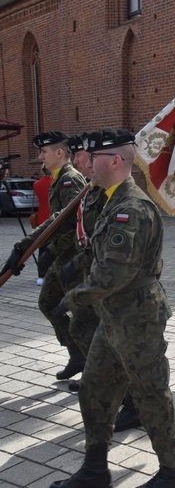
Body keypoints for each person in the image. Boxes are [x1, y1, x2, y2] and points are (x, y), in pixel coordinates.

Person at [50, 128, 175, 488]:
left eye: (93, 157)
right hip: (112, 318)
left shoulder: (132, 208)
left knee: (150, 394)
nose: (86, 163)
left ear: (115, 160)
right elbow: (94, 252)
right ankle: (95, 469)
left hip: (137, 318)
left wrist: (72, 298)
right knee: (94, 390)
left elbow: (112, 274)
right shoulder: (108, 199)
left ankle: (173, 474)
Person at [2, 131, 88, 381]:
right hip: (61, 255)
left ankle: (95, 370)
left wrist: (27, 245)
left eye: (44, 151)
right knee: (48, 303)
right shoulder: (58, 178)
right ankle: (77, 355)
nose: (40, 156)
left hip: (75, 258)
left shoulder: (70, 179)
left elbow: (68, 220)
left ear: (59, 153)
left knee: (85, 315)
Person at [33, 165, 54, 285]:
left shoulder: (37, 184)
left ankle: (41, 275)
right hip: (54, 218)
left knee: (42, 248)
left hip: (41, 218)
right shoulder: (55, 183)